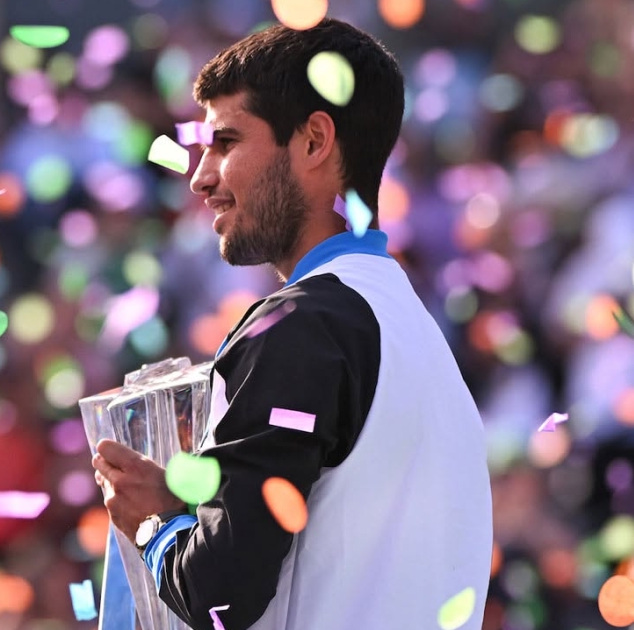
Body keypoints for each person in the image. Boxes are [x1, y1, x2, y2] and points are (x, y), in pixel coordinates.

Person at [92, 18, 493, 630]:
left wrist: (152, 521)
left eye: (226, 142)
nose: (200, 178)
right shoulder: (410, 323)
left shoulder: (297, 326)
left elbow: (220, 597)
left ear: (313, 142)